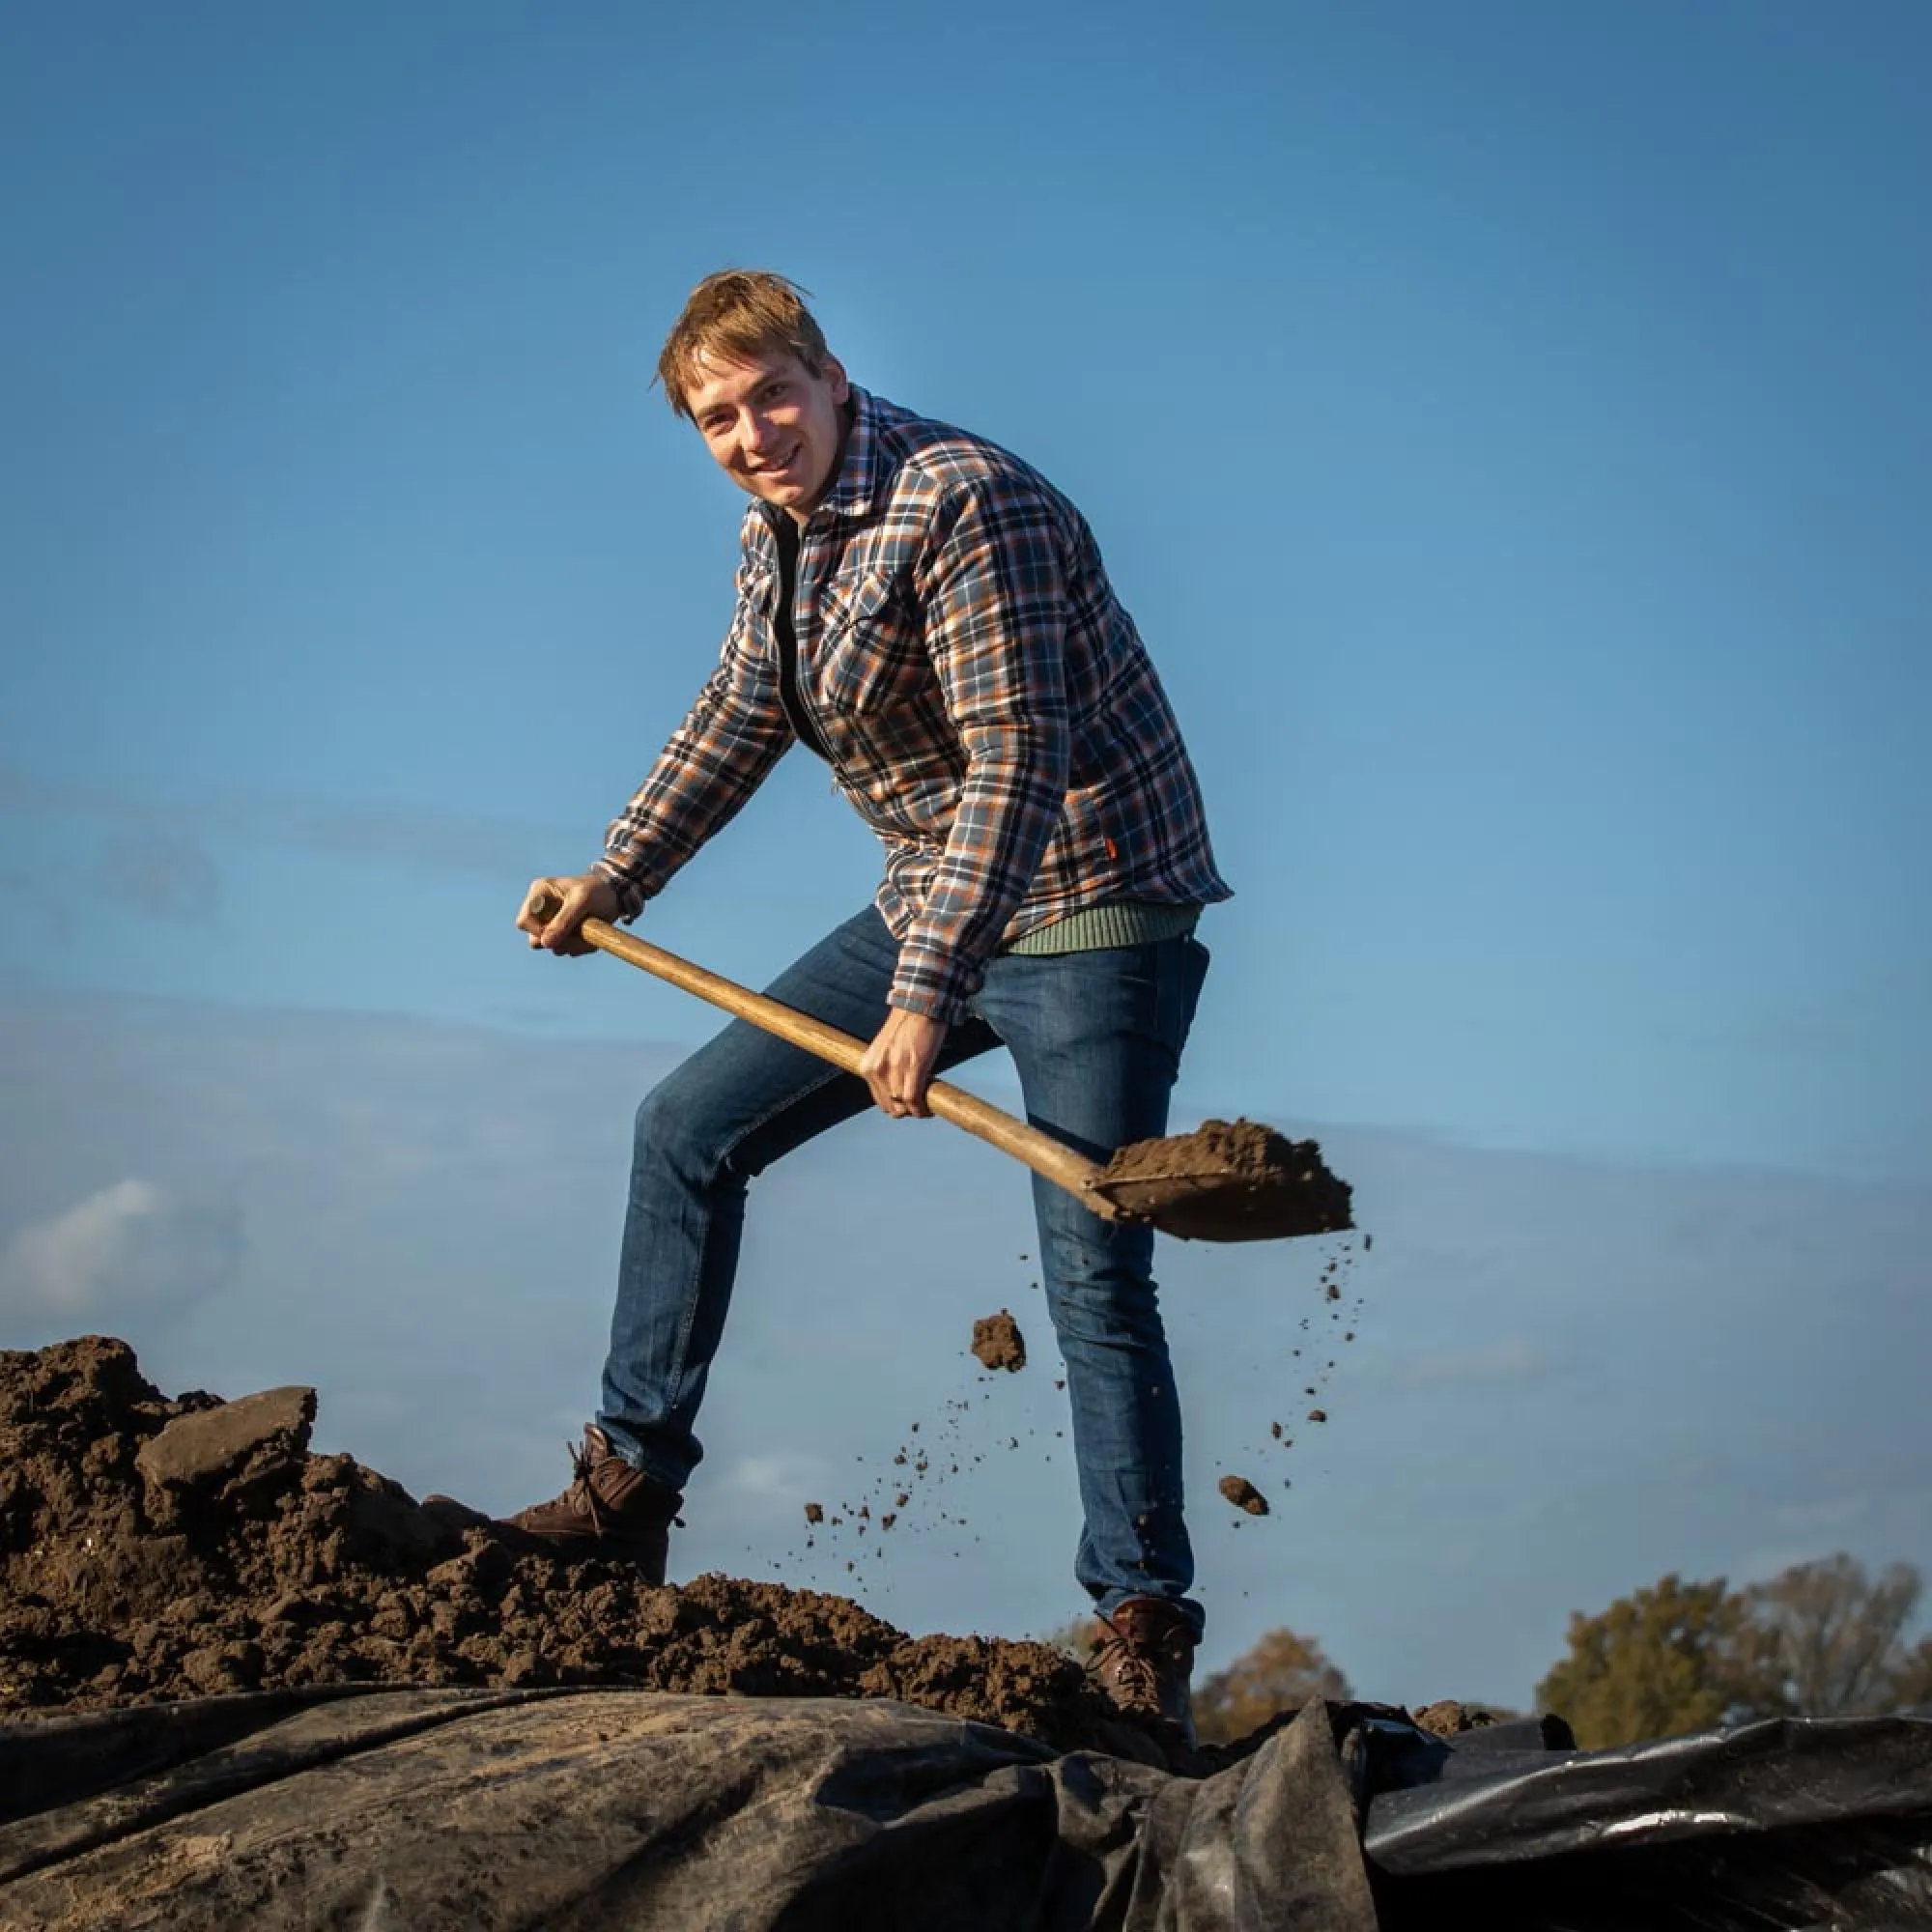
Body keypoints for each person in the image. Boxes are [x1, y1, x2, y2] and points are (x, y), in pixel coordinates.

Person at [510, 270, 1232, 1740]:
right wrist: (616, 877)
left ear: (833, 378)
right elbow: (738, 713)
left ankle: (1138, 1615)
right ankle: (630, 1485)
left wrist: (925, 994)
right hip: (940, 897)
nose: (750, 430)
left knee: (1092, 1261)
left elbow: (1018, 762)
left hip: (1091, 899)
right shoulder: (776, 538)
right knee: (684, 1132)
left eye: (771, 393)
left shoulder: (968, 503)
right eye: (716, 416)